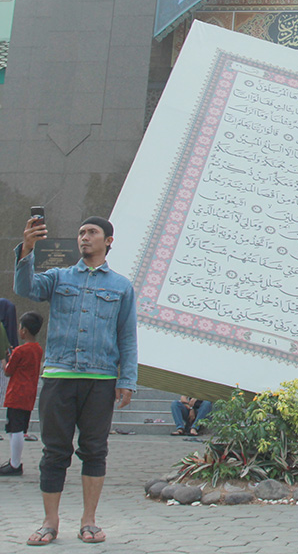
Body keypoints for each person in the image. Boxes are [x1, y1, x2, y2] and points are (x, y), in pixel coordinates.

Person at [14, 214, 138, 546]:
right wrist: (27, 248)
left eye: (92, 232)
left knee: (95, 450)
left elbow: (127, 337)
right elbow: (25, 288)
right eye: (81, 232)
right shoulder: (58, 278)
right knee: (54, 452)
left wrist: (127, 379)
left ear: (108, 241)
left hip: (100, 380)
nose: (84, 237)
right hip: (59, 376)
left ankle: (89, 521)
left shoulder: (121, 286)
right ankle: (49, 522)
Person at [1, 312, 44, 476]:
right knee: (20, 428)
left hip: (16, 393)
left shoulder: (20, 350)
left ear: (24, 330)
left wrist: (6, 359)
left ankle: (15, 463)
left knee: (15, 429)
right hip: (29, 394)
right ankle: (14, 461)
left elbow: (8, 371)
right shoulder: (38, 349)